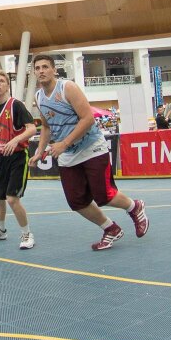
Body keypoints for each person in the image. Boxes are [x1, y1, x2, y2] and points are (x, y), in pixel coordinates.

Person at [31, 53, 148, 250]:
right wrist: (39, 151)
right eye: (37, 68)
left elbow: (88, 118)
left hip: (91, 147)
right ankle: (110, 228)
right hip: (68, 155)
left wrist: (64, 143)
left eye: (45, 67)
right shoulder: (38, 97)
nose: (41, 71)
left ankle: (134, 207)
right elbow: (46, 126)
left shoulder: (67, 87)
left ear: (54, 70)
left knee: (104, 195)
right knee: (76, 201)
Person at [0, 71, 38, 249]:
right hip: (3, 158)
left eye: (1, 81)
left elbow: (32, 129)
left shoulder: (15, 105)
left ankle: (27, 234)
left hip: (18, 156)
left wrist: (15, 140)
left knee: (12, 198)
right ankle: (0, 230)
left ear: (7, 86)